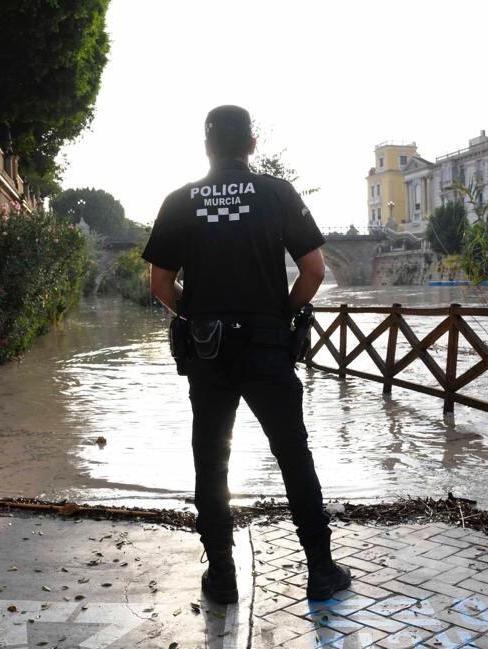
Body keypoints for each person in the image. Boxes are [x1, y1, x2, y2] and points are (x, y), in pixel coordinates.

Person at [142, 105, 352, 604]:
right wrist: (280, 313)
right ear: (252, 145)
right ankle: (321, 572)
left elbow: (159, 283)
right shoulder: (277, 194)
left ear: (207, 147)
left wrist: (193, 317)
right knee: (293, 456)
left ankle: (221, 578)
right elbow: (315, 271)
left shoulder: (179, 200)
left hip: (208, 351)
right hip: (268, 347)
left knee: (211, 463)